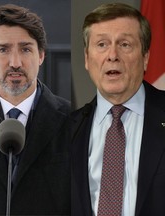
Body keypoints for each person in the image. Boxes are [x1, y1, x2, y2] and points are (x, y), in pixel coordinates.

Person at [0, 4, 71, 215]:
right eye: (3, 50)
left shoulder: (73, 122)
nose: (15, 63)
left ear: (41, 56)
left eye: (25, 49)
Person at [71, 3, 165, 216]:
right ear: (87, 58)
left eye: (125, 44)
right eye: (102, 44)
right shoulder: (66, 130)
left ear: (146, 57)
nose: (112, 55)